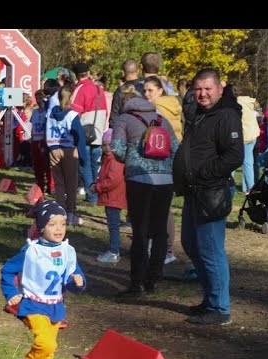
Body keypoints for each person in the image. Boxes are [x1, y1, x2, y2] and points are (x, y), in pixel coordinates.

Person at [172, 68, 243, 326]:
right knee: (191, 244)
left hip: (211, 191)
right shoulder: (200, 113)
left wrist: (203, 173)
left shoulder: (226, 115)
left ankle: (220, 308)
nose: (202, 94)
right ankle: (210, 298)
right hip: (195, 191)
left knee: (210, 250)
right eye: (198, 89)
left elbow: (234, 156)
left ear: (219, 89)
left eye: (207, 89)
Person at [0, 199, 86, 359]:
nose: (59, 229)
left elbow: (72, 278)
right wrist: (12, 293)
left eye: (62, 224)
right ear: (41, 227)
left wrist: (78, 282)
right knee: (46, 344)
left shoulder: (68, 251)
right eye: (52, 224)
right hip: (33, 304)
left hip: (56, 306)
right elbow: (7, 271)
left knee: (48, 354)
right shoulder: (31, 251)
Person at [111, 85, 179, 296]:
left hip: (138, 179)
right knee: (159, 230)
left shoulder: (124, 119)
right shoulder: (161, 119)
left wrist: (132, 159)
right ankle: (154, 279)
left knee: (140, 230)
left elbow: (117, 148)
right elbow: (175, 149)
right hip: (165, 180)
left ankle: (137, 282)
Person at [143, 74, 182, 265]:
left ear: (160, 90)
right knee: (160, 206)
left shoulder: (157, 110)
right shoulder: (174, 106)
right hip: (170, 159)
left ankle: (165, 249)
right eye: (144, 90)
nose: (146, 94)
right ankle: (162, 247)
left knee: (161, 207)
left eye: (150, 90)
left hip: (161, 161)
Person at [46, 84, 90, 227]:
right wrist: (83, 158)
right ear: (71, 98)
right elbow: (79, 138)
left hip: (53, 149)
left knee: (59, 184)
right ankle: (70, 214)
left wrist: (49, 148)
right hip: (69, 150)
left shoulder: (50, 113)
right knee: (71, 184)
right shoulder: (72, 115)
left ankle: (60, 212)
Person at [70, 62, 108, 207]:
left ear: (76, 74)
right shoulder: (99, 89)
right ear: (89, 72)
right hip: (97, 131)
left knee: (84, 165)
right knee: (95, 165)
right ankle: (97, 195)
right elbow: (105, 111)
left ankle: (91, 197)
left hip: (84, 132)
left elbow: (74, 113)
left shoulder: (79, 88)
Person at [91, 128, 126, 263]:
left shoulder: (114, 160)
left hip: (114, 197)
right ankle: (114, 249)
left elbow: (113, 180)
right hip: (110, 197)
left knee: (113, 225)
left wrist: (98, 187)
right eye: (104, 145)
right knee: (112, 224)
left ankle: (114, 251)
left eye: (109, 144)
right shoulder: (107, 159)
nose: (106, 148)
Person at [233, 85, 260, 194]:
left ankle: (250, 187)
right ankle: (247, 188)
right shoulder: (248, 100)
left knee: (244, 162)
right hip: (254, 134)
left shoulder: (236, 103)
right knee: (249, 162)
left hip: (245, 136)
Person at [30, 89, 54, 195]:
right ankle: (40, 185)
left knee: (46, 165)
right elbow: (33, 126)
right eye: (37, 98)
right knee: (37, 165)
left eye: (41, 98)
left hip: (44, 141)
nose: (39, 100)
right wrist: (32, 138)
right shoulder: (34, 112)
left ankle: (50, 186)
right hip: (35, 140)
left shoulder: (47, 112)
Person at [109, 59, 145, 128]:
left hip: (126, 128)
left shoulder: (120, 91)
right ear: (138, 71)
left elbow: (114, 118)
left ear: (123, 72)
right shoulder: (146, 87)